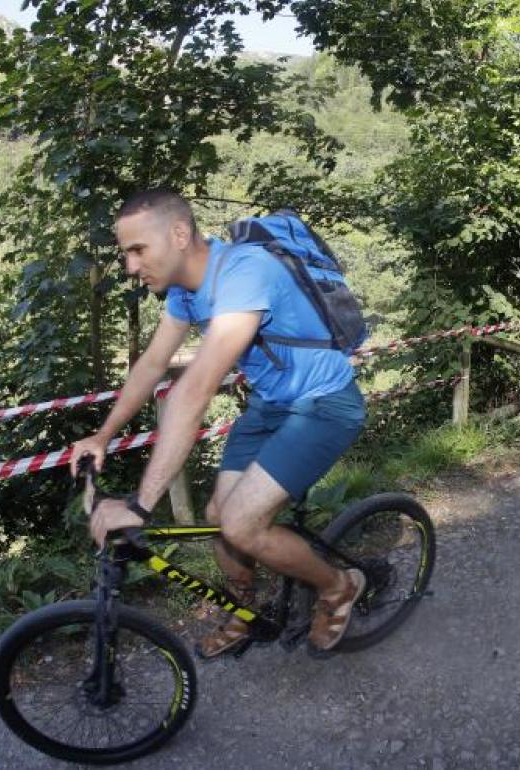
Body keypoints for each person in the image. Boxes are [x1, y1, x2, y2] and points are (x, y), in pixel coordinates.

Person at [68, 188, 367, 657]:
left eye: (137, 249)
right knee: (216, 519)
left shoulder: (246, 271)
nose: (130, 266)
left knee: (242, 524)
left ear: (180, 234)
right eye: (126, 252)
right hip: (271, 406)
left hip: (323, 405)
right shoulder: (187, 295)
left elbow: (195, 388)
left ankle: (338, 586)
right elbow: (150, 365)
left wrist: (141, 506)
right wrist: (103, 436)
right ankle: (245, 610)